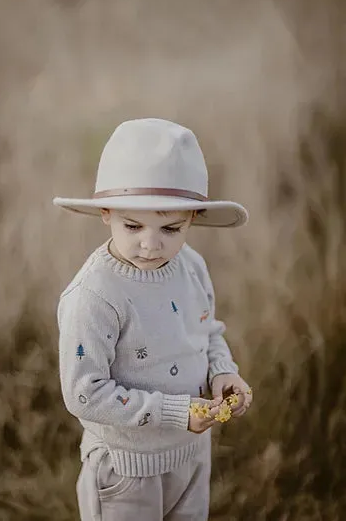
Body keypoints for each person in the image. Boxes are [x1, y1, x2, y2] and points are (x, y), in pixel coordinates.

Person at [53, 118, 253, 521]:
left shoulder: (191, 266)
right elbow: (84, 393)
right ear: (106, 213)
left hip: (193, 456)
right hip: (127, 468)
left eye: (171, 228)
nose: (151, 243)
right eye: (133, 225)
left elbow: (206, 330)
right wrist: (178, 413)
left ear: (193, 219)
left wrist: (222, 372)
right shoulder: (94, 296)